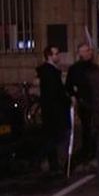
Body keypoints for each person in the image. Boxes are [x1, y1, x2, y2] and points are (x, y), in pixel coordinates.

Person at [35, 45, 71, 173]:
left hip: (50, 109)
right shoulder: (50, 72)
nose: (58, 56)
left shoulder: (49, 71)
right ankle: (50, 162)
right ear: (50, 56)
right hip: (54, 110)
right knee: (57, 137)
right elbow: (56, 92)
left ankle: (53, 163)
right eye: (56, 54)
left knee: (52, 137)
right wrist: (67, 100)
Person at [65, 42, 95, 165]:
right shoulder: (74, 69)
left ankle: (93, 150)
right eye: (87, 50)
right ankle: (87, 151)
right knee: (86, 128)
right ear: (81, 53)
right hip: (83, 102)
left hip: (95, 101)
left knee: (94, 128)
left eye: (90, 50)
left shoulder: (93, 67)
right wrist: (73, 96)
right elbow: (68, 86)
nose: (90, 52)